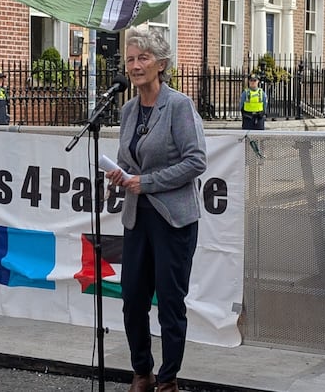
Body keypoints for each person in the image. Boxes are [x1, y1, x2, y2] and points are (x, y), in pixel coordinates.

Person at [105, 28, 206, 392]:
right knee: (132, 297)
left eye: (142, 58)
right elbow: (126, 158)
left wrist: (145, 182)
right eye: (130, 59)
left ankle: (168, 380)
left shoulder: (179, 105)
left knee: (170, 303)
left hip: (173, 219)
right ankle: (141, 372)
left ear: (161, 64)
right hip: (137, 217)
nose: (134, 66)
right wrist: (120, 176)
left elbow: (196, 161)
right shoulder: (128, 110)